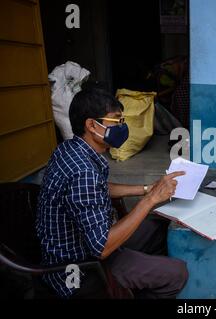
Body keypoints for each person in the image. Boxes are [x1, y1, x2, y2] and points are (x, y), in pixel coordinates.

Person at [36, 88, 188, 299]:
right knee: (177, 274)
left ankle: (138, 275)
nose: (122, 127)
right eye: (116, 121)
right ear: (91, 125)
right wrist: (150, 199)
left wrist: (145, 189)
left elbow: (98, 187)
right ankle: (126, 283)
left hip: (87, 245)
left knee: (158, 227)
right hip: (81, 270)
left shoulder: (71, 149)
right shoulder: (82, 171)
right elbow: (102, 248)